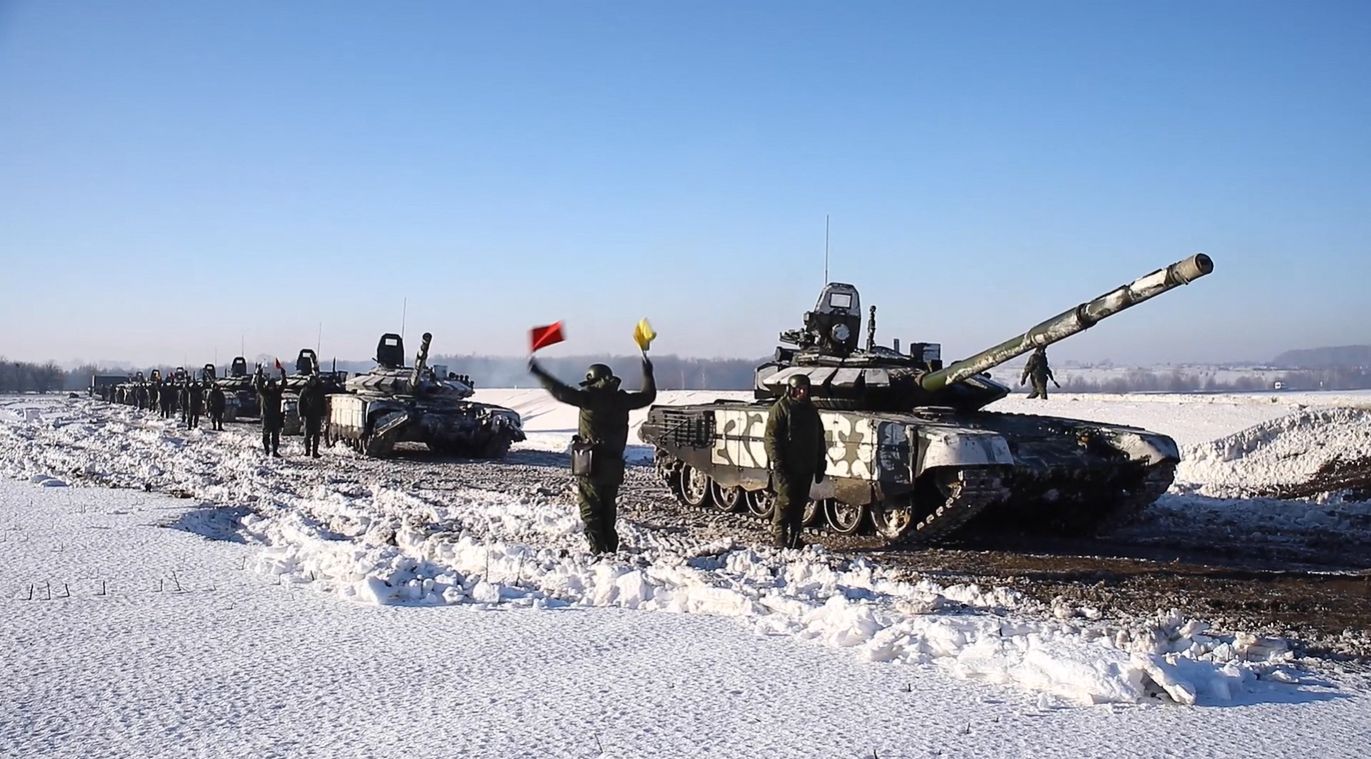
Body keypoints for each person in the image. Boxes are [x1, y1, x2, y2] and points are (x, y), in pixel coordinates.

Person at [528, 357, 656, 554]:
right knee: (608, 507)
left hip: (590, 464)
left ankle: (598, 549)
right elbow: (648, 396)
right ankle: (610, 548)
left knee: (589, 508)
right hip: (614, 464)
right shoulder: (622, 400)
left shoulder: (588, 398)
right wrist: (648, 373)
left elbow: (560, 391)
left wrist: (539, 372)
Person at [764, 373, 827, 550]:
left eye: (805, 389)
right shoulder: (782, 408)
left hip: (806, 464)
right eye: (798, 389)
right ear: (791, 390)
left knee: (800, 503)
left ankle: (795, 536)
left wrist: (821, 460)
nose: (802, 392)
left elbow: (819, 437)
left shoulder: (810, 410)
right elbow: (771, 437)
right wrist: (777, 461)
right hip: (787, 463)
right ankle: (780, 536)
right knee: (785, 501)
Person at [253, 365, 287, 457]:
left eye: (273, 386)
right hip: (266, 416)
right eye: (270, 386)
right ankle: (267, 450)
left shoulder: (277, 393)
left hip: (275, 416)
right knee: (266, 434)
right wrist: (259, 374)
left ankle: (275, 451)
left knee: (275, 436)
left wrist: (283, 374)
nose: (271, 387)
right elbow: (259, 385)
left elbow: (284, 385)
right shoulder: (264, 393)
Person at [297, 373, 327, 458]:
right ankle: (307, 451)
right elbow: (300, 403)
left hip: (316, 415)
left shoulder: (319, 391)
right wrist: (301, 414)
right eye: (311, 381)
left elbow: (323, 403)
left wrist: (323, 414)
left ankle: (315, 452)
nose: (313, 383)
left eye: (314, 381)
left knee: (316, 435)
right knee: (307, 435)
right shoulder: (305, 390)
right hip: (308, 416)